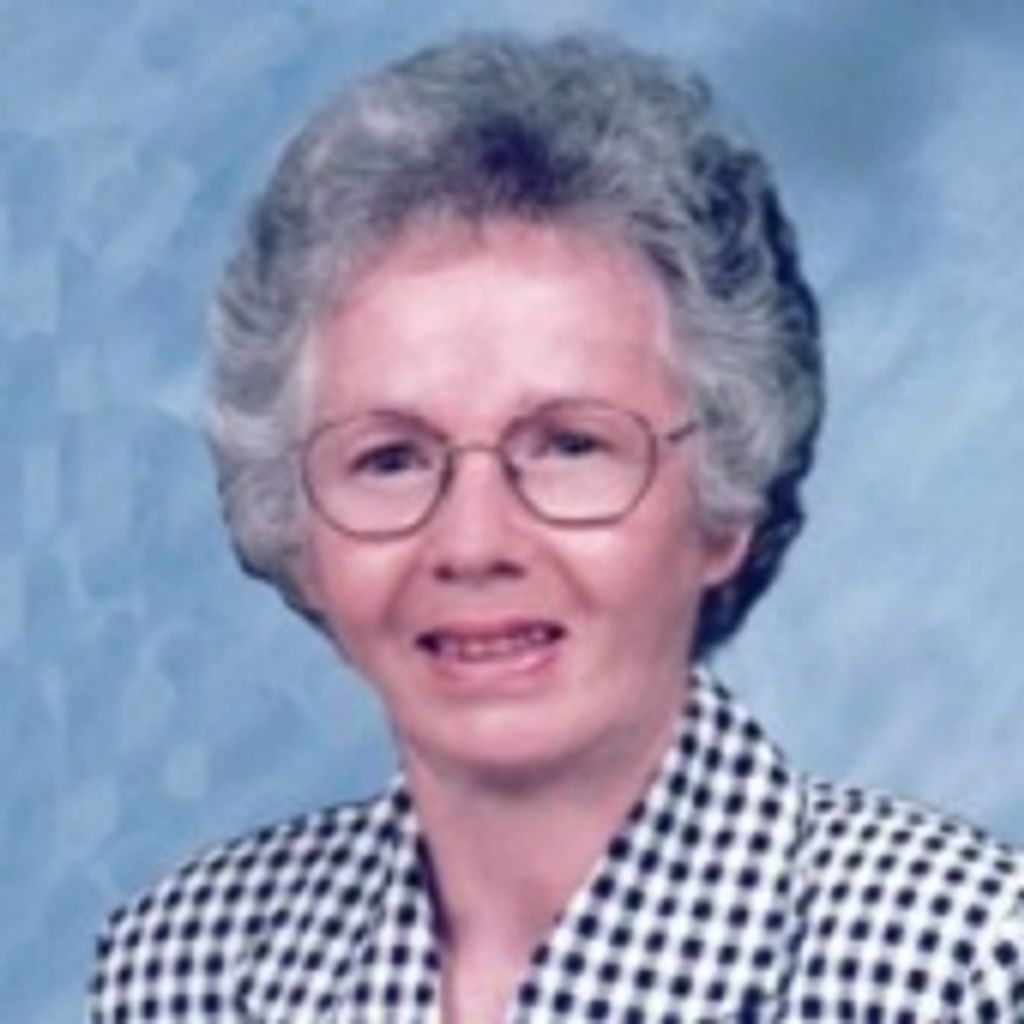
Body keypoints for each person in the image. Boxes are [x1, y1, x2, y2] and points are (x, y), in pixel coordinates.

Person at [89, 32, 1023, 1023]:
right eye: (391, 458)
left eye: (571, 446)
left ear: (724, 508)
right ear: (299, 528)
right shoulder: (184, 967)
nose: (472, 543)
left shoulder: (956, 961)